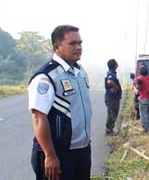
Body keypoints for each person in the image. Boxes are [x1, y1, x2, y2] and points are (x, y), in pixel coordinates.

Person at [28, 25, 93, 180]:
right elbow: (38, 118)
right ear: (56, 47)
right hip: (57, 154)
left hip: (81, 151)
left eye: (80, 43)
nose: (78, 47)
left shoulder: (79, 72)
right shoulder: (46, 77)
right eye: (72, 43)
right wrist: (50, 155)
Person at [104, 59, 122, 136]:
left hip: (113, 98)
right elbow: (109, 81)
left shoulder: (112, 73)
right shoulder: (111, 74)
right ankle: (109, 130)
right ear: (114, 65)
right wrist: (116, 87)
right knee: (112, 114)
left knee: (113, 113)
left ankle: (110, 129)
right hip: (112, 98)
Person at [136, 65, 149, 132]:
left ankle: (146, 129)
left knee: (144, 114)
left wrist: (136, 85)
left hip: (143, 97)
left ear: (140, 71)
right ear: (147, 70)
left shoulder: (139, 78)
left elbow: (139, 88)